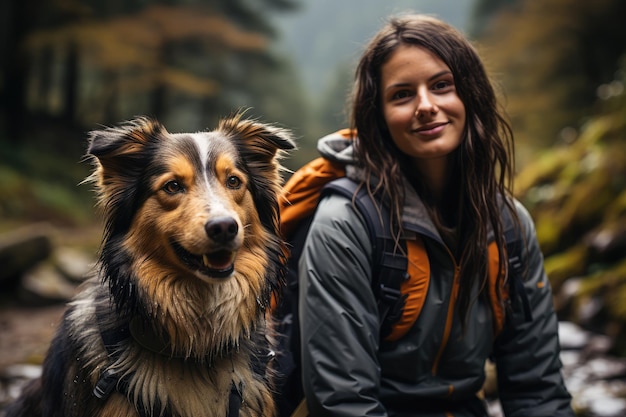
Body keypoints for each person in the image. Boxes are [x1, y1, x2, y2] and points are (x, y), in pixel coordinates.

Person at [297, 14, 574, 417]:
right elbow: (343, 403)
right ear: (378, 116)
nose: (426, 106)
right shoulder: (345, 225)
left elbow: (538, 387)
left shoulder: (509, 224)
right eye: (402, 94)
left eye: (442, 85)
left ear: (471, 94)